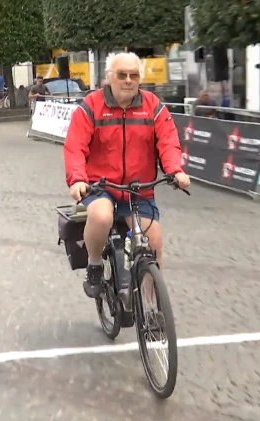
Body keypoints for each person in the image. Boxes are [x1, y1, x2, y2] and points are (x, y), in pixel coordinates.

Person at [63, 52, 190, 299]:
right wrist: (77, 178)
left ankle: (153, 308)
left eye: (134, 75)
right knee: (100, 217)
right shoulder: (90, 107)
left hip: (138, 188)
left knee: (154, 245)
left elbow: (168, 142)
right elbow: (75, 146)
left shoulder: (153, 106)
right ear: (109, 77)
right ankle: (95, 264)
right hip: (101, 185)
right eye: (122, 75)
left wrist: (175, 170)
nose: (128, 80)